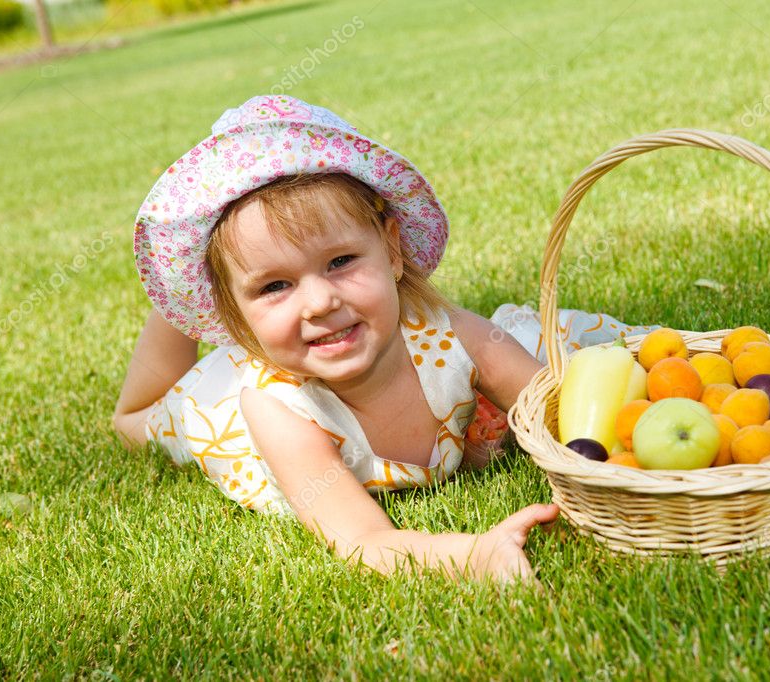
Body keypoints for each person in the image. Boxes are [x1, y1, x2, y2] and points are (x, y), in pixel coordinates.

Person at [113, 95, 653, 587]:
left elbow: (563, 412)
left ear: (392, 250)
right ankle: (186, 310)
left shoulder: (447, 332)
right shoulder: (276, 410)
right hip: (224, 412)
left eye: (341, 262)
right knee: (137, 422)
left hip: (286, 336)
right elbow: (363, 540)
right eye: (275, 285)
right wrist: (472, 555)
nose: (320, 301)